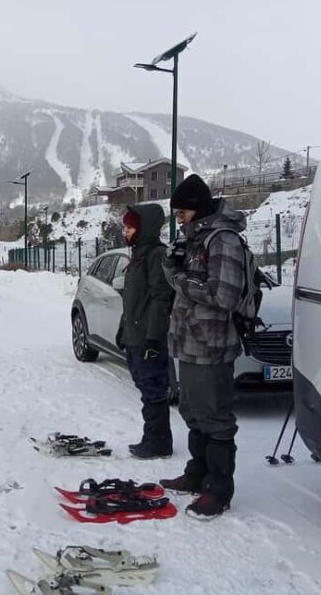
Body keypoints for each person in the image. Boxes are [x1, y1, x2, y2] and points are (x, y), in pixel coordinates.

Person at [159, 174, 246, 519]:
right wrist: (172, 264)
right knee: (193, 413)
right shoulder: (195, 239)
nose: (178, 219)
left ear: (197, 209)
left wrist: (180, 280)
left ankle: (219, 489)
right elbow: (183, 282)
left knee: (215, 418)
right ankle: (197, 474)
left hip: (210, 345)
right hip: (189, 342)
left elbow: (223, 295)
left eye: (182, 212)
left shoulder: (223, 240)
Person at [115, 204, 173, 459]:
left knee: (153, 390)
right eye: (125, 227)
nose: (125, 232)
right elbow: (133, 299)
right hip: (135, 335)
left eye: (129, 227)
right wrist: (122, 328)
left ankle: (158, 442)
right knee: (145, 387)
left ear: (143, 228)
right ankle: (152, 437)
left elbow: (160, 299)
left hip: (148, 338)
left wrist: (152, 338)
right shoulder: (138, 255)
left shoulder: (156, 256)